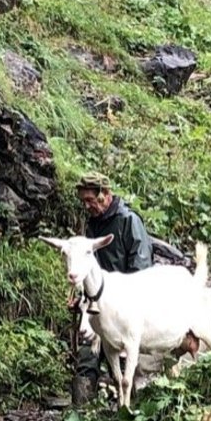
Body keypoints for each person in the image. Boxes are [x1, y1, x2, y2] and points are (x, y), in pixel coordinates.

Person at [71, 171, 152, 400]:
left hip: (125, 310)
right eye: (83, 201)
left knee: (130, 364)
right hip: (96, 305)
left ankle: (133, 415)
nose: (87, 206)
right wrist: (79, 297)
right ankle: (81, 416)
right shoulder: (92, 227)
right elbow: (86, 269)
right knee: (87, 357)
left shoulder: (128, 221)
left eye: (90, 200)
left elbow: (141, 271)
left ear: (105, 194)